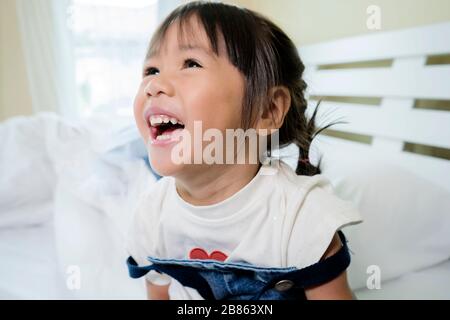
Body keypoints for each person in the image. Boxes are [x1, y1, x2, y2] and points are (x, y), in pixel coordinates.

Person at [126, 1, 361, 300]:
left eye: (191, 63)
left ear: (268, 109)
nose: (154, 84)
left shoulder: (302, 217)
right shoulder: (150, 217)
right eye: (151, 69)